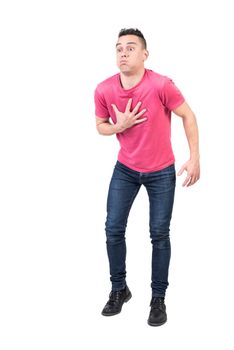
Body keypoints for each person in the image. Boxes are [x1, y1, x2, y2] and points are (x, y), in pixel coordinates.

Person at [94, 28, 200, 326]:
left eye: (130, 48)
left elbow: (188, 115)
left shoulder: (161, 85)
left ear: (144, 54)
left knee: (159, 234)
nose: (123, 53)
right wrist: (119, 126)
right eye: (118, 48)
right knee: (113, 228)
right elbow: (100, 125)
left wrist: (194, 157)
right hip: (125, 169)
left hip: (161, 171)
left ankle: (158, 298)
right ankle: (119, 289)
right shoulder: (104, 89)